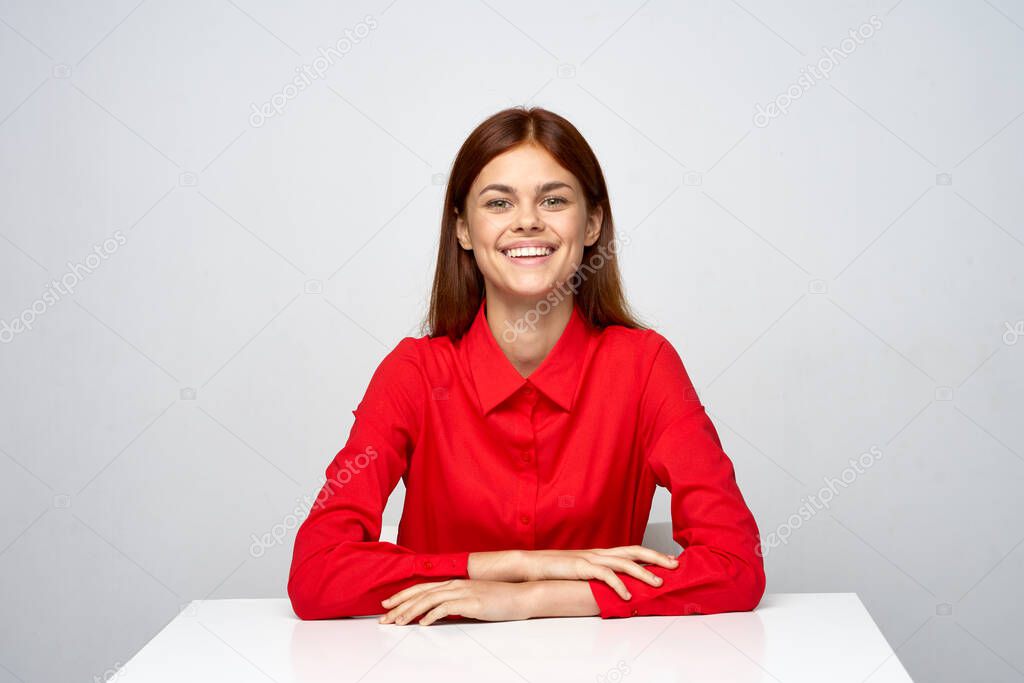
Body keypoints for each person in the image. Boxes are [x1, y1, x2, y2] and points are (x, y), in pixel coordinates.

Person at [287, 106, 766, 625]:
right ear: (464, 230)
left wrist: (533, 597)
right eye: (499, 203)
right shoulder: (413, 374)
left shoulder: (645, 367)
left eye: (554, 200)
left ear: (593, 224)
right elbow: (316, 575)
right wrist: (514, 565)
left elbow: (735, 565)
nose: (527, 221)